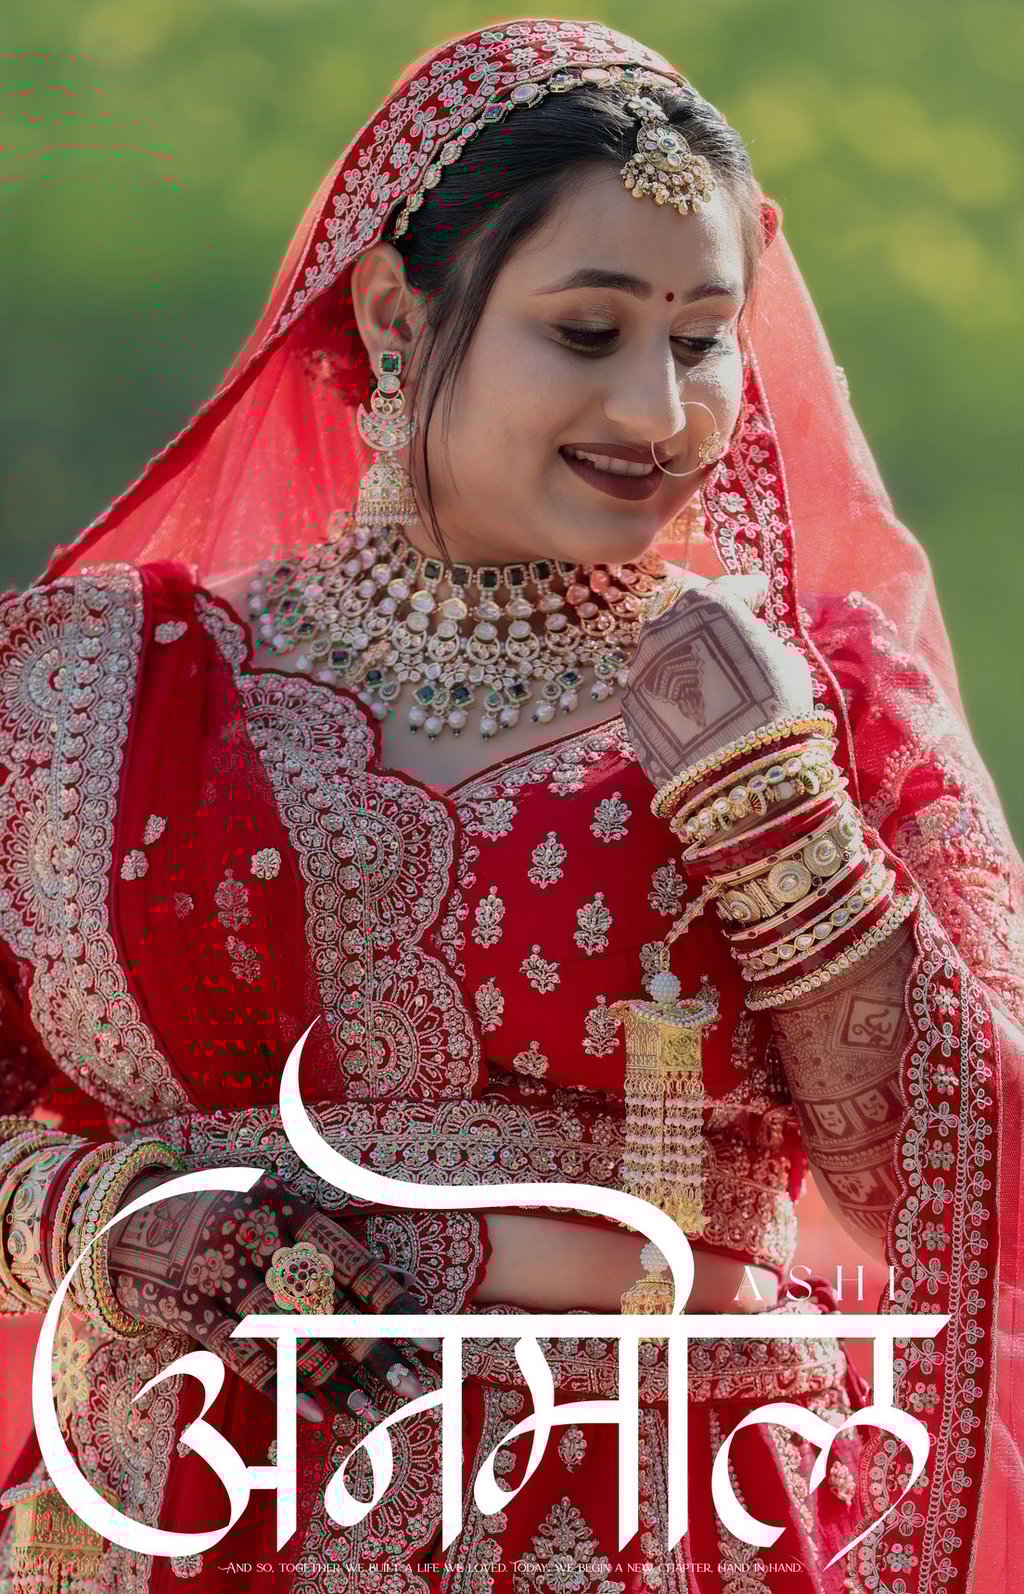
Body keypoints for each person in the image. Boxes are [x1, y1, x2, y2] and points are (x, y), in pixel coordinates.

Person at [0, 18, 1020, 1594]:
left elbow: (960, 1194)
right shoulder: (109, 693)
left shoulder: (807, 692)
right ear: (398, 311)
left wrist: (774, 815)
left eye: (701, 337)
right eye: (590, 328)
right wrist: (111, 1216)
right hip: (195, 1513)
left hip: (667, 1527)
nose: (661, 405)